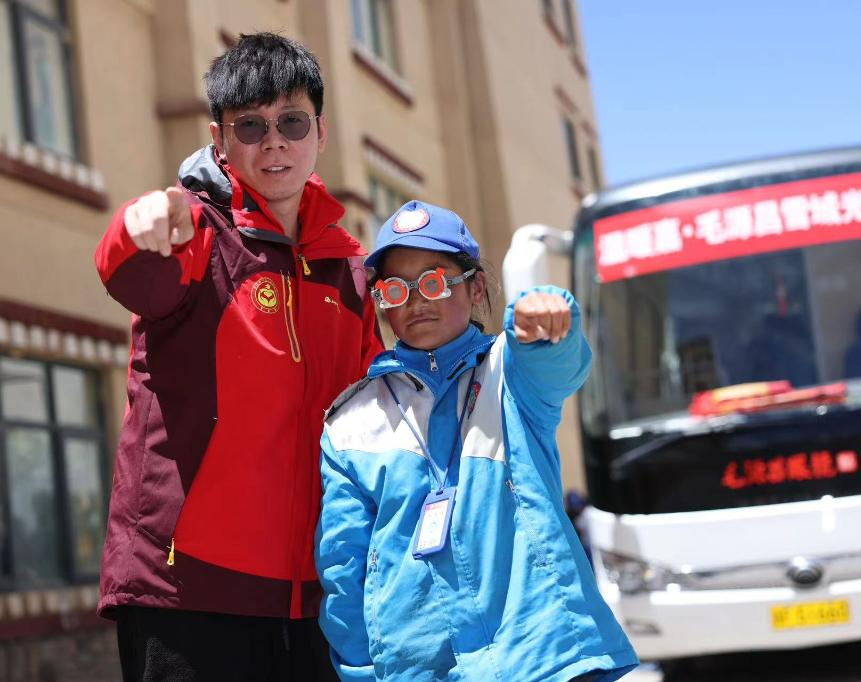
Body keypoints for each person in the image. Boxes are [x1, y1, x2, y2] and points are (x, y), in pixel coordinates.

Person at [93, 33, 382, 681]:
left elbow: (378, 423)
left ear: (320, 133)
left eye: (291, 122)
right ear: (219, 141)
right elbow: (128, 267)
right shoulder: (195, 231)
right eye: (250, 125)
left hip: (319, 597)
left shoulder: (351, 272)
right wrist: (140, 223)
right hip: (187, 592)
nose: (273, 142)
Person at [316, 200, 639, 681]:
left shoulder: (512, 370)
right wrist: (362, 672)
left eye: (433, 281)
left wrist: (546, 317)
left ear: (477, 287)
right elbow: (343, 566)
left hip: (541, 660)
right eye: (395, 289)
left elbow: (559, 364)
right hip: (416, 670)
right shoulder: (350, 420)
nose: (415, 301)